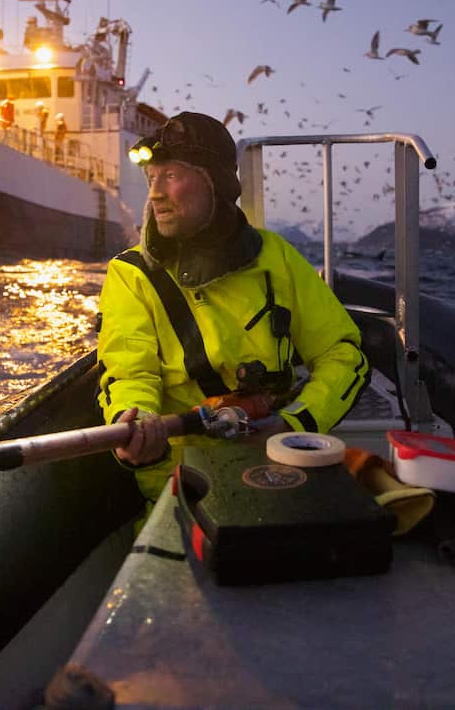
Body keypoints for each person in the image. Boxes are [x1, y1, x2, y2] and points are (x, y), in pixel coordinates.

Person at [96, 111, 369, 505]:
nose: (154, 192)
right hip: (184, 490)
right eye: (152, 177)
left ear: (215, 185)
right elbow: (128, 374)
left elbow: (344, 354)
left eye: (171, 176)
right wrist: (135, 425)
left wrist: (294, 423)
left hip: (282, 467)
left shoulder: (277, 256)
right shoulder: (131, 274)